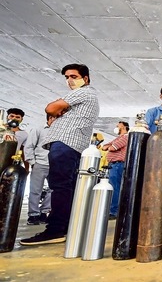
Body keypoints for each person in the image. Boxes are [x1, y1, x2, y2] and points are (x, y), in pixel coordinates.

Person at [21, 63, 100, 245]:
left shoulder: (85, 92)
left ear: (85, 79)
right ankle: (63, 227)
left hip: (66, 144)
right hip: (67, 145)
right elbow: (54, 110)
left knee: (60, 187)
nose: (69, 80)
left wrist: (58, 108)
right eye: (66, 77)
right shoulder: (81, 96)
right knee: (65, 187)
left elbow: (50, 109)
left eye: (73, 76)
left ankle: (55, 229)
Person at [24, 114, 56, 225]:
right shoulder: (38, 129)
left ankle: (44, 213)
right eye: (56, 118)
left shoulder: (61, 132)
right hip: (40, 164)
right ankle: (33, 215)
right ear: (50, 118)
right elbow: (29, 146)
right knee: (35, 190)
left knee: (52, 190)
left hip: (55, 165)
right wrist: (32, 162)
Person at [101, 121, 129, 219]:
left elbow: (112, 148)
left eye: (118, 126)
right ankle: (112, 210)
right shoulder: (118, 138)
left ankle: (114, 211)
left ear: (124, 127)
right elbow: (104, 147)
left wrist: (110, 146)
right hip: (113, 165)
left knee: (115, 187)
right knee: (113, 187)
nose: (116, 127)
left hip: (118, 165)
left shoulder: (126, 137)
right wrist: (109, 146)